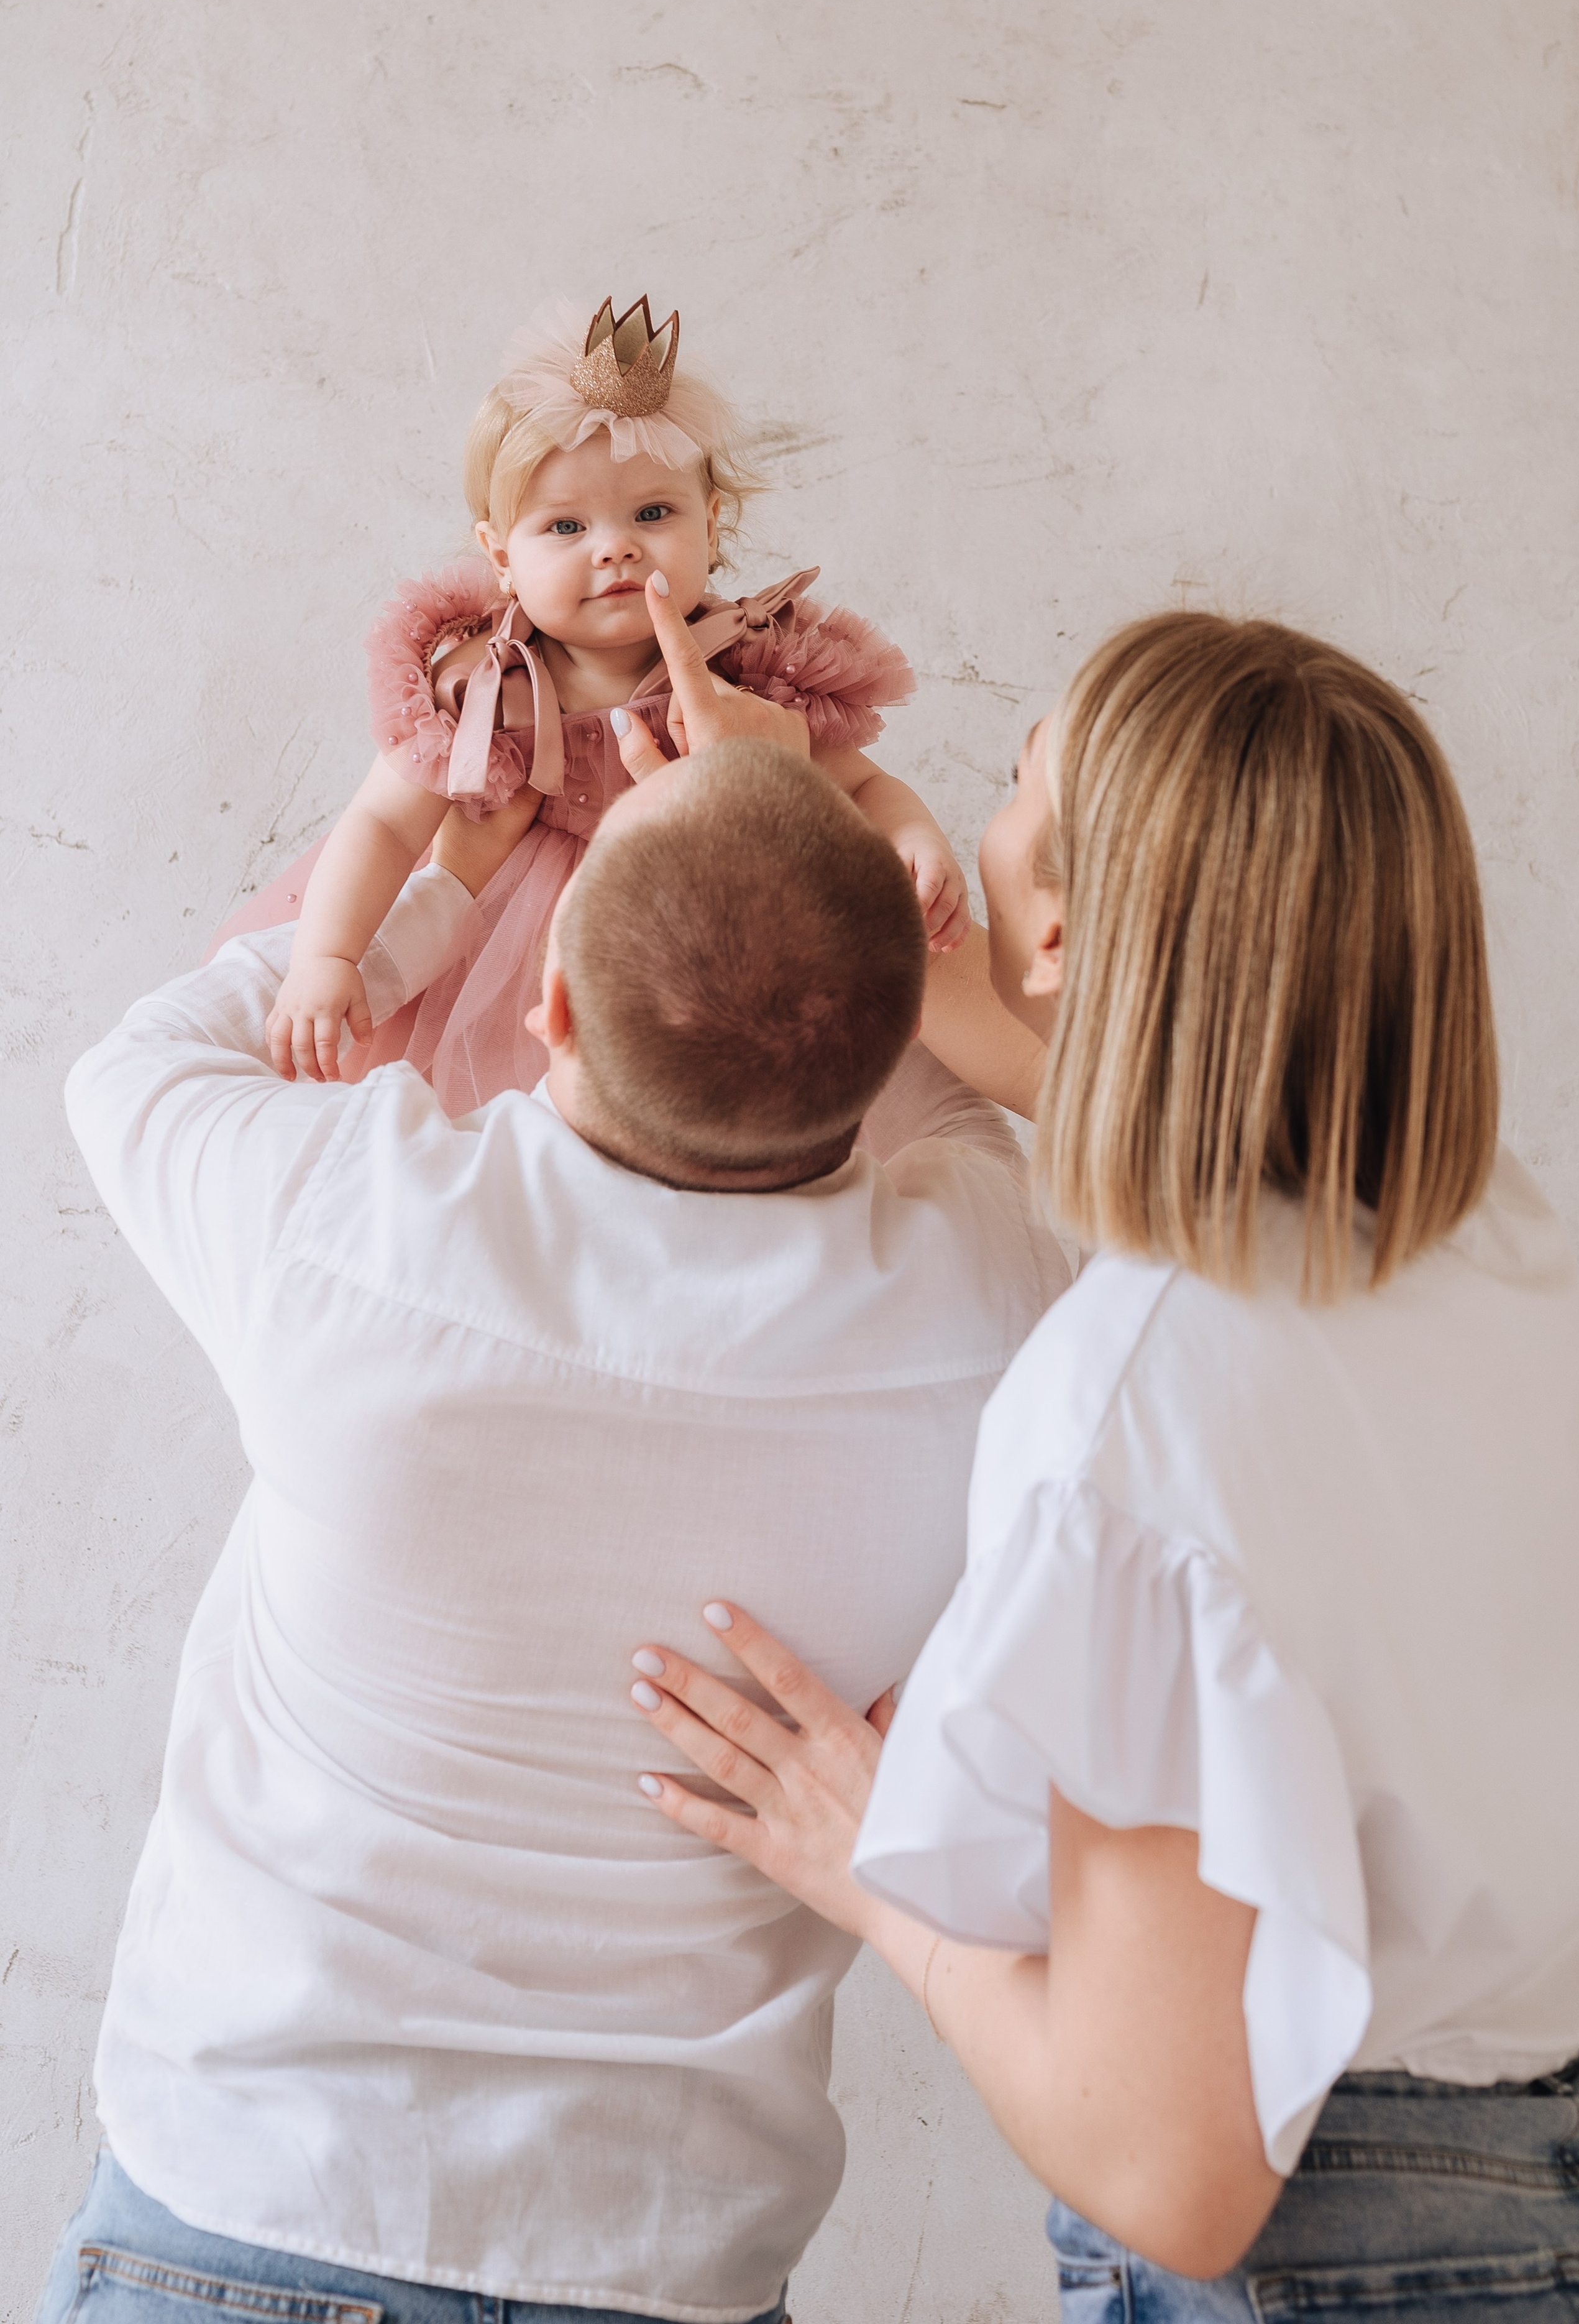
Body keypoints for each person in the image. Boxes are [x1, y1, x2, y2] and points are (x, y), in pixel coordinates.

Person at [39, 603, 1069, 2324]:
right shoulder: (995, 1301)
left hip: (244, 2206)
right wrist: (791, 819)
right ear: (890, 1024)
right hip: (664, 2257)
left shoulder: (345, 1228)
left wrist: (444, 880)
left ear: (553, 1002)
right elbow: (997, 1108)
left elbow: (137, 1063)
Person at [629, 610, 1579, 2317]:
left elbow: (1174, 2174)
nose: (983, 823)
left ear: (1067, 926)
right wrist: (808, 817)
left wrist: (876, 1879)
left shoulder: (1127, 1410)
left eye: (1014, 789)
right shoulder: (1500, 1253)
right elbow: (1150, 1087)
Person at [221, 292, 981, 1113]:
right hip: (509, 951)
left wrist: (916, 839)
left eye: (653, 513)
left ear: (712, 525)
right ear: (500, 556)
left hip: (703, 940)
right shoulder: (487, 686)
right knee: (500, 1119)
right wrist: (328, 958)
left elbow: (859, 786)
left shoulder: (746, 672)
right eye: (565, 527)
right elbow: (383, 823)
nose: (615, 547)